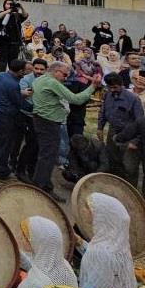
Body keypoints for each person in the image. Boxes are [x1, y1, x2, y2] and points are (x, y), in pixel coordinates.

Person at [31, 60, 101, 201]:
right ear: (56, 71)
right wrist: (93, 86)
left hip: (41, 119)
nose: (66, 78)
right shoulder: (52, 82)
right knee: (48, 156)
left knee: (45, 155)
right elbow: (76, 99)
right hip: (49, 123)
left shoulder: (39, 80)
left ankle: (41, 184)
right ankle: (42, 187)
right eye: (64, 75)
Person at [80, 193, 139, 288]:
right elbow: (98, 260)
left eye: (89, 209)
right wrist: (80, 243)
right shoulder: (114, 245)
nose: (84, 210)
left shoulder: (104, 254)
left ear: (103, 217)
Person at [12, 216, 79, 288]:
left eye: (25, 236)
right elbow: (37, 267)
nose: (20, 237)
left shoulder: (35, 285)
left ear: (37, 242)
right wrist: (16, 252)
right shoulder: (64, 266)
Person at [97, 72, 142, 187]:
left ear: (121, 85)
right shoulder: (107, 95)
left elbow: (140, 122)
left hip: (128, 135)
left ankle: (130, 190)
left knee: (129, 166)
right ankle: (115, 187)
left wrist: (135, 141)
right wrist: (100, 128)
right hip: (112, 132)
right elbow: (103, 111)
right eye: (110, 87)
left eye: (115, 87)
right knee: (112, 161)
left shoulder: (133, 99)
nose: (112, 90)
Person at [0, 59, 28, 183]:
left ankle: (0, 165)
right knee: (5, 146)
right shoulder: (14, 84)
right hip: (6, 116)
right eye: (24, 71)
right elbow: (18, 102)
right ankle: (2, 174)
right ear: (20, 71)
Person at [0, 0, 28, 69]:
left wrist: (21, 7)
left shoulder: (16, 15)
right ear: (4, 5)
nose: (10, 5)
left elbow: (25, 15)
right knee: (3, 61)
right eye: (8, 4)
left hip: (15, 42)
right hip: (2, 42)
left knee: (13, 62)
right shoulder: (1, 13)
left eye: (11, 4)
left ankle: (12, 75)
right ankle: (1, 75)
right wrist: (9, 10)